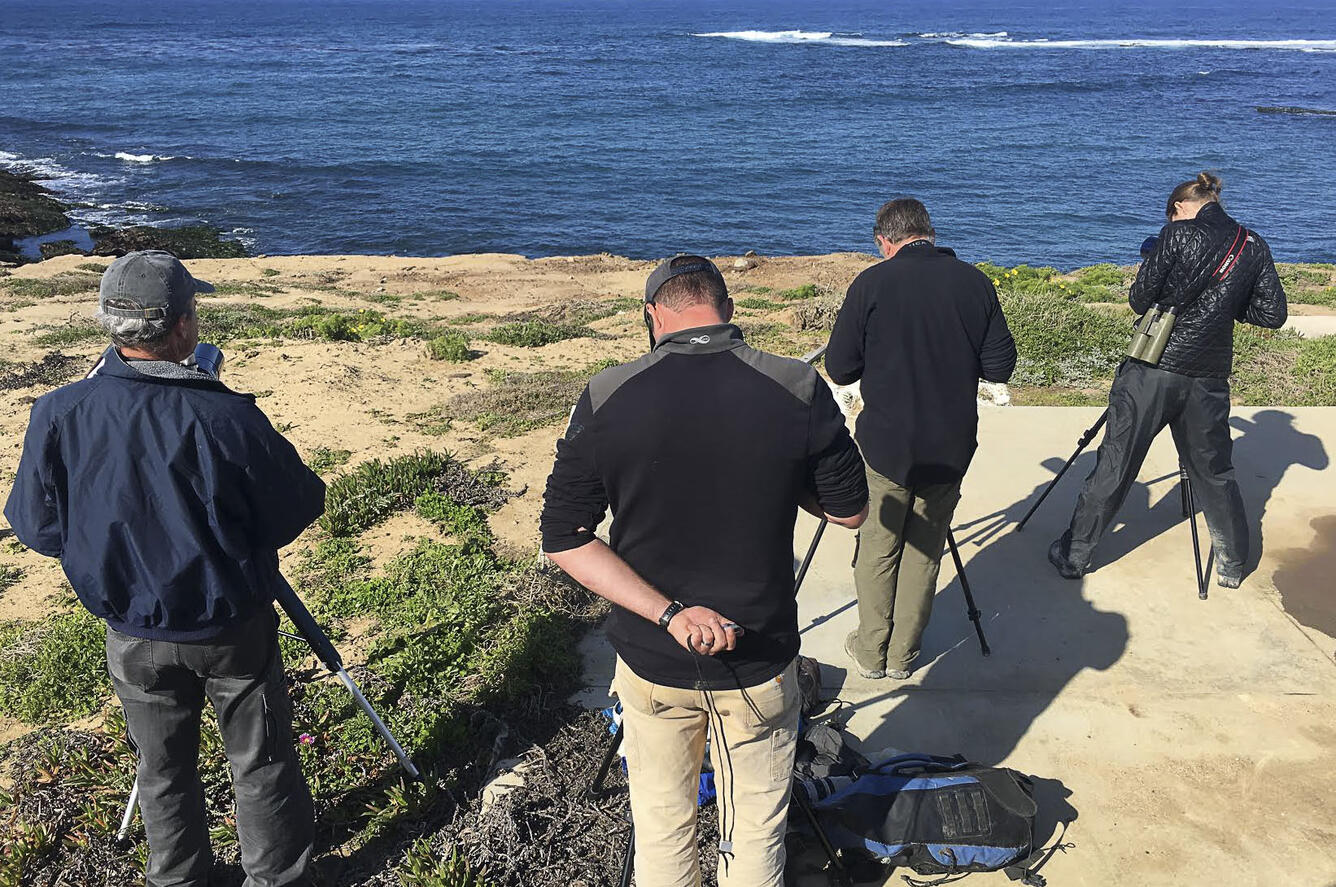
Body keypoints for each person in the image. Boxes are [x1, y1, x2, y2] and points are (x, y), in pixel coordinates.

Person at [540, 255, 869, 887]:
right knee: (755, 838)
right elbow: (849, 513)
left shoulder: (607, 394)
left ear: (653, 317)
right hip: (761, 658)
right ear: (727, 310)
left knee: (665, 834)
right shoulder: (796, 386)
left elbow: (564, 540)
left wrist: (670, 614)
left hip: (654, 659)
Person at [4, 251, 325, 887]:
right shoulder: (226, 415)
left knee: (160, 765)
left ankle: (177, 878)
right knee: (258, 763)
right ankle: (278, 878)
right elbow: (295, 506)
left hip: (129, 628)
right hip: (228, 622)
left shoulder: (58, 413)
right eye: (193, 311)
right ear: (180, 328)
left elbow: (38, 528)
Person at [1049, 172, 1287, 587]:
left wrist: (1162, 272)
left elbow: (1139, 299)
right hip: (1209, 375)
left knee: (1117, 463)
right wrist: (1224, 307)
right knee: (1215, 471)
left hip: (1153, 371)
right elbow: (1273, 315)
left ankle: (1075, 555)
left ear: (1179, 207)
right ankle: (1232, 566)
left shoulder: (1175, 236)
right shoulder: (1252, 243)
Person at [826, 198, 1017, 680]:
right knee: (924, 549)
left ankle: (872, 650)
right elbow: (999, 366)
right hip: (949, 446)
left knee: (878, 548)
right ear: (929, 233)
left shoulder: (871, 283)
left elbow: (840, 366)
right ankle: (903, 655)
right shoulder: (974, 282)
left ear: (883, 241)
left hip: (885, 444)